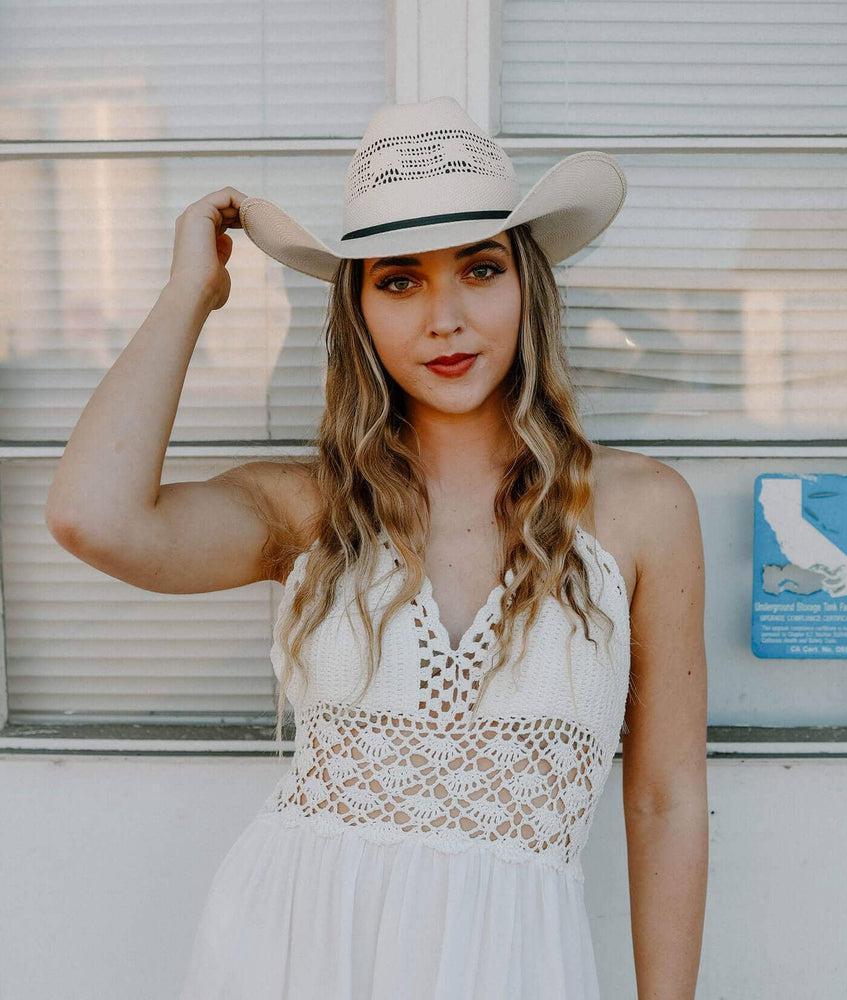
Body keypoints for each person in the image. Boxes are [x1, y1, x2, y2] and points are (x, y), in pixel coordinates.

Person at [45, 96, 708, 999]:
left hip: (512, 965)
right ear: (357, 310)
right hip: (298, 951)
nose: (445, 319)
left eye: (480, 269)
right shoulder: (307, 507)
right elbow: (94, 518)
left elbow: (666, 801)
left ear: (528, 286)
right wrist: (188, 295)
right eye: (399, 281)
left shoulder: (644, 509)